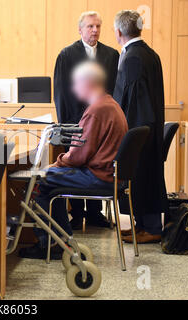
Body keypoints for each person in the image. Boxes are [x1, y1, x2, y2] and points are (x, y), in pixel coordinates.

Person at [19, 61, 128, 260]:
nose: (74, 89)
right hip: (109, 176)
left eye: (76, 84)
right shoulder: (110, 104)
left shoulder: (96, 110)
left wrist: (56, 163)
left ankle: (49, 244)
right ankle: (62, 240)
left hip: (98, 177)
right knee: (49, 182)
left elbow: (78, 156)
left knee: (38, 180)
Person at [53, 11, 120, 229]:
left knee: (96, 163)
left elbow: (114, 91)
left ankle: (94, 213)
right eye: (90, 26)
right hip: (74, 121)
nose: (95, 30)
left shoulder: (111, 55)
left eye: (98, 26)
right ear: (80, 29)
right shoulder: (67, 54)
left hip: (102, 122)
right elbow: (61, 92)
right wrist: (66, 125)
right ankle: (77, 213)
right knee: (76, 162)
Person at [113, 10, 168, 244]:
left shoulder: (133, 57)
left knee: (143, 176)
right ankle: (142, 225)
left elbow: (134, 99)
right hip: (149, 126)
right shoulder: (149, 53)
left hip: (139, 129)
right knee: (145, 176)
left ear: (118, 32)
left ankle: (152, 227)